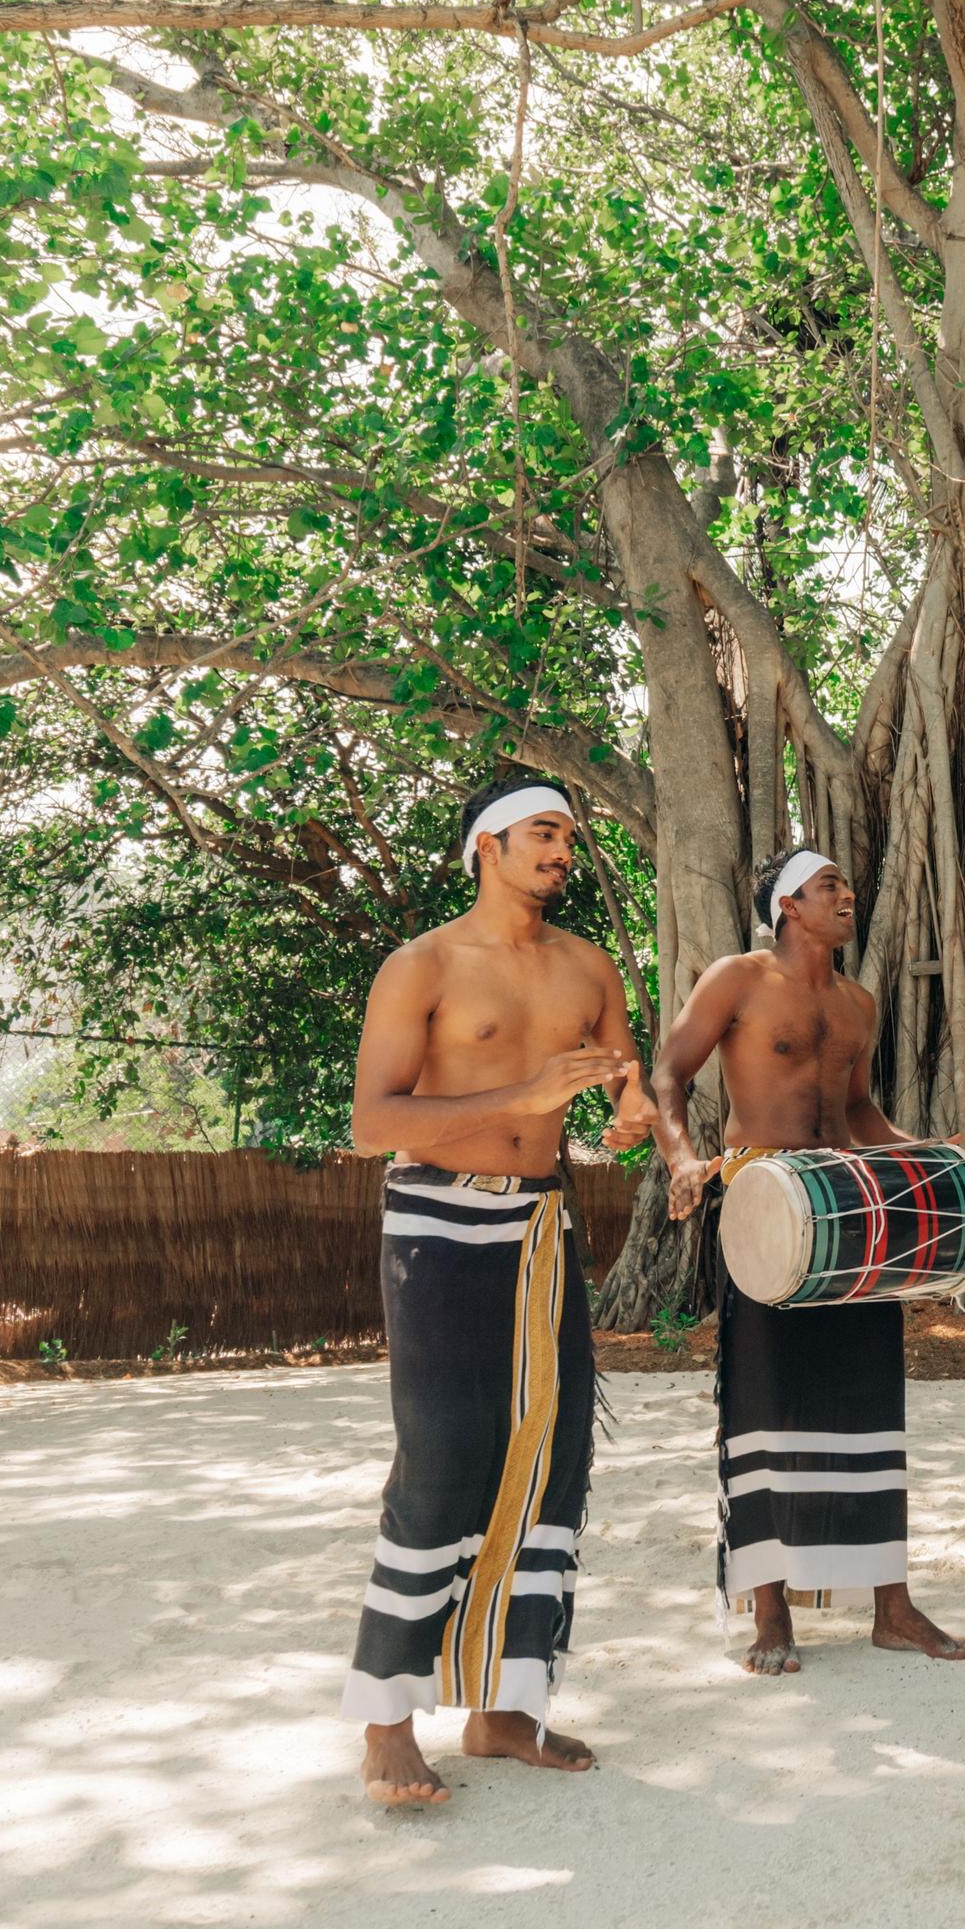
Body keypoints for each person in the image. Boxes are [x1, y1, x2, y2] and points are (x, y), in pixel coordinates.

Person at [341, 774, 654, 1809]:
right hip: (437, 1219)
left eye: (570, 835)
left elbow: (626, 1079)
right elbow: (373, 1122)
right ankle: (388, 1720)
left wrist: (632, 1114)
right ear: (488, 842)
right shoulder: (422, 963)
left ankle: (506, 1706)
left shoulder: (588, 965)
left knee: (550, 1456)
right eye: (544, 832)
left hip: (539, 1226)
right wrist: (520, 1095)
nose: (564, 850)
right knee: (441, 1452)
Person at [647, 845, 965, 1677]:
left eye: (846, 884)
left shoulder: (860, 1002)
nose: (847, 895)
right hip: (761, 1198)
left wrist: (922, 1152)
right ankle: (770, 1611)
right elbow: (669, 1073)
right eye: (831, 885)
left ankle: (892, 1607)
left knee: (872, 1394)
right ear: (789, 903)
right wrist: (683, 1159)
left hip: (849, 1205)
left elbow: (860, 1108)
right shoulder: (739, 978)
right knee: (768, 1397)